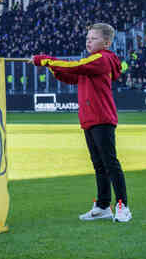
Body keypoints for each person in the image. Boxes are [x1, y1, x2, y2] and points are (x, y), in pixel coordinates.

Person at [33, 22, 131, 223]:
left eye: (93, 38)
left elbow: (74, 66)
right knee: (99, 165)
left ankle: (123, 206)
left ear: (106, 42)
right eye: (87, 38)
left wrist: (46, 60)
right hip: (89, 118)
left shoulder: (102, 59)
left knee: (110, 164)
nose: (88, 41)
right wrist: (52, 67)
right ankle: (103, 206)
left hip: (102, 118)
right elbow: (71, 76)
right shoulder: (92, 62)